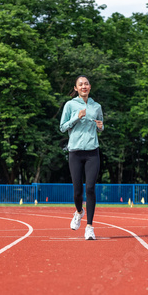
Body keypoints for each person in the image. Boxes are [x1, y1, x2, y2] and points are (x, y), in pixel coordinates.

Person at [59, 75, 104, 240]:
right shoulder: (70, 105)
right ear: (76, 88)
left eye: (86, 84)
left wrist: (101, 127)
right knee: (77, 191)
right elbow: (62, 127)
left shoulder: (96, 106)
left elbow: (101, 125)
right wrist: (76, 117)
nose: (84, 86)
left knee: (90, 188)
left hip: (93, 152)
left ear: (90, 87)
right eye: (80, 84)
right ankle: (79, 212)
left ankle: (90, 227)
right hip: (75, 152)